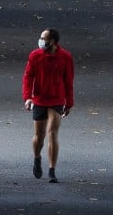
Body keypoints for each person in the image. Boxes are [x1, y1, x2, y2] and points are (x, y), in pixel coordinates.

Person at [22, 28, 74, 183]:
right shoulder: (35, 56)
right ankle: (37, 157)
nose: (41, 40)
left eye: (43, 38)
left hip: (57, 100)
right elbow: (28, 77)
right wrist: (27, 97)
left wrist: (69, 102)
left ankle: (52, 169)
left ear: (52, 41)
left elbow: (69, 80)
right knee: (39, 136)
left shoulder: (65, 57)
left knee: (52, 133)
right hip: (39, 99)